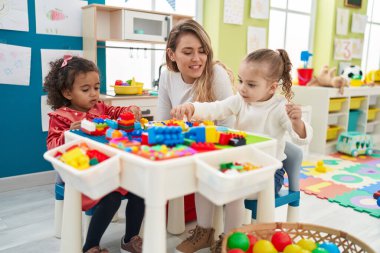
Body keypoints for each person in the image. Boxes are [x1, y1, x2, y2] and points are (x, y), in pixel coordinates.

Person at [171, 48, 313, 252]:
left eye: (251, 84)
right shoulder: (240, 100)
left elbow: (302, 139)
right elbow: (217, 108)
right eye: (240, 80)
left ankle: (229, 239)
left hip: (268, 174)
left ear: (272, 87)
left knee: (234, 191)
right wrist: (192, 108)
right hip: (240, 166)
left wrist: (298, 123)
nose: (243, 88)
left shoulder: (280, 108)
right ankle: (204, 232)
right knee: (203, 181)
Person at [44, 55, 145, 253]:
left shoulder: (100, 107)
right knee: (112, 198)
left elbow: (117, 111)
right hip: (78, 176)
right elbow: (53, 149)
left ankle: (130, 239)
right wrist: (69, 134)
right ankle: (90, 246)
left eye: (96, 88)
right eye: (85, 89)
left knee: (140, 190)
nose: (93, 94)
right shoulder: (60, 116)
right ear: (67, 92)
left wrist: (130, 109)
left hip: (108, 170)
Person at [156, 19, 239, 253]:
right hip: (186, 148)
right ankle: (202, 230)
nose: (197, 59)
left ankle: (211, 232)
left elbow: (229, 126)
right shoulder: (167, 76)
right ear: (171, 54)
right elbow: (162, 121)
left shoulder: (215, 74)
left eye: (202, 51)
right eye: (188, 52)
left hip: (218, 150)